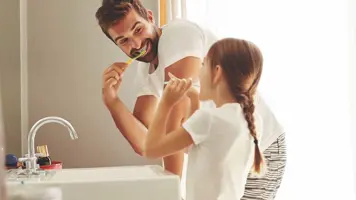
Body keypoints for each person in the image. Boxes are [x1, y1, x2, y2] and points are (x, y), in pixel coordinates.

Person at [95, 0, 287, 199]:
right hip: (221, 156)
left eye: (138, 29)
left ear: (150, 18)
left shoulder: (178, 35)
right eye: (123, 40)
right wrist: (111, 101)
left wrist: (172, 193)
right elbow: (146, 143)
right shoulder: (146, 68)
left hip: (259, 148)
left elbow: (176, 118)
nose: (136, 44)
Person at [144, 37, 265, 200]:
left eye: (203, 64)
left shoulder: (209, 119)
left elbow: (152, 149)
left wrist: (166, 103)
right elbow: (193, 147)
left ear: (217, 72)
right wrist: (194, 99)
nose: (198, 73)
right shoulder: (253, 119)